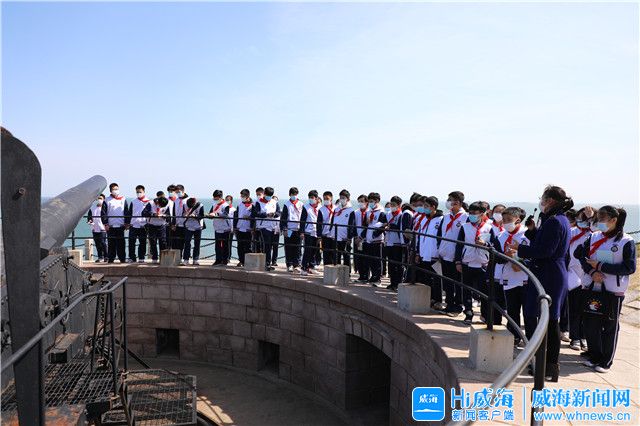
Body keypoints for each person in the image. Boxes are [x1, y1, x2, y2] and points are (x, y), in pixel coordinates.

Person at [507, 185, 573, 381]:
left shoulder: (555, 221)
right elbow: (545, 243)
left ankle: (548, 365)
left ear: (550, 200)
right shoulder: (557, 219)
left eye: (543, 198)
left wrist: (520, 249)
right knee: (546, 320)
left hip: (549, 274)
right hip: (550, 272)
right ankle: (545, 364)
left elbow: (545, 251)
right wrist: (533, 231)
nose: (541, 202)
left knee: (549, 321)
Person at [576, 206, 635, 374]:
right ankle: (595, 356)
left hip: (612, 291)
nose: (599, 222)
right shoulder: (594, 236)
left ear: (614, 220)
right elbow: (581, 256)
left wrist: (601, 266)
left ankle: (606, 361)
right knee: (590, 324)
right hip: (591, 286)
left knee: (609, 326)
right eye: (598, 219)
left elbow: (629, 267)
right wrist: (592, 272)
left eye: (602, 219)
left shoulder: (626, 241)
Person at [454, 201, 494, 324]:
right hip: (467, 262)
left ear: (482, 214)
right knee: (466, 290)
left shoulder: (489, 228)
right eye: (470, 213)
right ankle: (468, 313)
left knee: (484, 291)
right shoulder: (464, 227)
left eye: (474, 213)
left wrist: (485, 244)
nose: (471, 215)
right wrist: (458, 261)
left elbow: (493, 245)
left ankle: (485, 314)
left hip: (482, 263)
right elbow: (459, 245)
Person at [495, 207, 530, 346]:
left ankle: (530, 338)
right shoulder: (501, 236)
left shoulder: (527, 235)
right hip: (509, 277)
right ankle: (514, 336)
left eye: (509, 220)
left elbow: (533, 255)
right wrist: (506, 256)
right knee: (512, 310)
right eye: (504, 220)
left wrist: (520, 262)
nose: (505, 223)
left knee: (528, 312)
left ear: (518, 220)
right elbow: (496, 258)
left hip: (526, 278)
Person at [565, 207, 595, 351]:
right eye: (580, 218)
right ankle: (575, 337)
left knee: (588, 309)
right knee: (575, 308)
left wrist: (592, 219)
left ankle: (584, 337)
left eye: (585, 218)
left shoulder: (594, 234)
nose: (582, 221)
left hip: (590, 274)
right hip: (573, 274)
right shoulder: (571, 232)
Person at [437, 191, 468, 315]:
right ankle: (449, 304)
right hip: (445, 252)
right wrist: (440, 248)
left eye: (451, 200)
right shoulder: (446, 216)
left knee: (458, 282)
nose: (448, 202)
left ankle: (458, 306)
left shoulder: (465, 217)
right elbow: (440, 233)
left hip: (457, 255)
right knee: (447, 281)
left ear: (458, 202)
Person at [415, 196, 444, 305]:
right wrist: (418, 252)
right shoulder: (424, 219)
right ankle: (429, 298)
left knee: (436, 279)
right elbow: (420, 236)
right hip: (424, 253)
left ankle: (437, 300)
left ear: (433, 207)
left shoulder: (441, 219)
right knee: (426, 278)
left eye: (426, 206)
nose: (424, 208)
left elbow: (441, 237)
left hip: (435, 254)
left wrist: (440, 252)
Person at [383, 196, 411, 291]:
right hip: (389, 241)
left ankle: (398, 283)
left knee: (398, 265)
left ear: (399, 205)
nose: (392, 206)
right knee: (391, 264)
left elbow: (401, 227)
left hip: (397, 243)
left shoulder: (401, 215)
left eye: (394, 204)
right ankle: (392, 282)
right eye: (391, 204)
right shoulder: (388, 214)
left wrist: (391, 226)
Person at [252, 186, 280, 271]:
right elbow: (256, 213)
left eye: (270, 195)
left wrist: (274, 214)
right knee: (266, 245)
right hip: (263, 226)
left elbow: (279, 212)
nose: (269, 197)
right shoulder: (258, 202)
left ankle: (269, 263)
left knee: (271, 245)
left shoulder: (274, 202)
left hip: (273, 226)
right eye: (268, 195)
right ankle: (266, 264)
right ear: (264, 194)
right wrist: (266, 214)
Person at [364, 192, 387, 285]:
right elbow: (365, 224)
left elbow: (383, 225)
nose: (370, 203)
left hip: (377, 240)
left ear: (377, 201)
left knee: (377, 260)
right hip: (369, 239)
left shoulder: (381, 212)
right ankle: (373, 276)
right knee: (370, 259)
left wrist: (375, 234)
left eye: (372, 201)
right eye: (369, 201)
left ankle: (378, 278)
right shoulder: (369, 211)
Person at [101, 183, 128, 263]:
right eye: (114, 189)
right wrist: (106, 224)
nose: (116, 191)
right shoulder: (107, 200)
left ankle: (122, 259)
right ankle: (111, 259)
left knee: (121, 244)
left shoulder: (123, 199)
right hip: (111, 226)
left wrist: (127, 223)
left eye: (117, 189)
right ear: (110, 191)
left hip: (121, 225)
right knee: (111, 244)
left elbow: (126, 211)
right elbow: (103, 213)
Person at [280, 187, 304, 272]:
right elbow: (283, 218)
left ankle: (296, 264)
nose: (294, 195)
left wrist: (302, 230)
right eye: (293, 194)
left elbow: (303, 217)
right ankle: (289, 264)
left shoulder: (301, 204)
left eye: (295, 194)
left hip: (298, 229)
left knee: (298, 247)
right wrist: (284, 228)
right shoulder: (286, 204)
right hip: (289, 229)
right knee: (288, 247)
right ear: (289, 194)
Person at [142, 194, 170, 263]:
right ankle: (154, 258)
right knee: (153, 242)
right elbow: (144, 213)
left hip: (162, 225)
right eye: (160, 206)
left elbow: (168, 215)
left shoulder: (166, 205)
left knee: (163, 242)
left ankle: (163, 258)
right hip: (152, 225)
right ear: (158, 202)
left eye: (163, 207)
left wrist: (164, 215)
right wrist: (153, 214)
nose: (161, 207)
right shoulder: (150, 203)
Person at [126, 185, 150, 263]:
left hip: (143, 225)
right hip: (133, 225)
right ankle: (132, 257)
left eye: (140, 192)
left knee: (142, 242)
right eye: (137, 192)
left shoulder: (148, 201)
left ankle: (141, 257)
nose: (139, 193)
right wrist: (128, 223)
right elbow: (129, 213)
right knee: (131, 242)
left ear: (144, 192)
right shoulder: (133, 201)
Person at [333, 189, 356, 270]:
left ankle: (347, 272)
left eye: (343, 198)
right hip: (336, 235)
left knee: (346, 255)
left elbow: (351, 225)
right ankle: (337, 271)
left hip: (345, 237)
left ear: (348, 199)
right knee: (337, 255)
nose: (341, 199)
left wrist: (349, 237)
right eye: (340, 198)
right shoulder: (336, 209)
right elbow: (333, 221)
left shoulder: (351, 210)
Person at [209, 190, 232, 265]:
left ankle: (225, 260)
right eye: (214, 198)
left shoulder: (226, 205)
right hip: (217, 227)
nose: (214, 199)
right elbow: (211, 213)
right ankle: (218, 260)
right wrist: (209, 215)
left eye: (216, 198)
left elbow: (225, 215)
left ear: (220, 197)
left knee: (225, 245)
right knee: (217, 245)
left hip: (225, 228)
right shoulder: (214, 204)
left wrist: (216, 214)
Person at [300, 190, 320, 275]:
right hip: (308, 231)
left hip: (317, 232)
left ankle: (311, 267)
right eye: (310, 197)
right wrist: (302, 232)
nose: (311, 199)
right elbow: (302, 220)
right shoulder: (306, 207)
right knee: (307, 250)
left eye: (312, 197)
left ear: (316, 198)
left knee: (314, 250)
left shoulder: (320, 207)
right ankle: (304, 268)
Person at [181, 197, 205, 265]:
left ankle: (195, 259)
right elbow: (183, 214)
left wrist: (195, 216)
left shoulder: (200, 205)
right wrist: (185, 215)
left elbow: (202, 216)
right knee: (187, 243)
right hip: (188, 226)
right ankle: (186, 259)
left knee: (197, 243)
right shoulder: (185, 205)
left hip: (198, 226)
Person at [233, 189, 253, 267]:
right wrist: (235, 227)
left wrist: (249, 218)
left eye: (243, 196)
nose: (242, 197)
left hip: (248, 229)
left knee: (248, 246)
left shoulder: (253, 205)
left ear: (247, 196)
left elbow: (254, 216)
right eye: (241, 196)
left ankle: (248, 261)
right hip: (239, 228)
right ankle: (241, 260)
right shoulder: (239, 204)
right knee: (240, 246)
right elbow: (236, 216)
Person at [353, 194, 369, 282]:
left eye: (362, 201)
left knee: (365, 258)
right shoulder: (356, 212)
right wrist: (356, 237)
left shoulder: (369, 212)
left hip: (366, 239)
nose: (360, 203)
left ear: (366, 202)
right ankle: (361, 275)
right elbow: (353, 225)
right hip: (357, 239)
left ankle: (366, 276)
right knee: (358, 258)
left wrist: (361, 237)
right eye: (359, 201)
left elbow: (368, 226)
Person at [318, 191, 336, 265]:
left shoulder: (336, 208)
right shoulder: (321, 210)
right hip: (325, 235)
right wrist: (319, 236)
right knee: (326, 254)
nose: (326, 200)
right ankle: (326, 269)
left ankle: (334, 269)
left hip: (334, 235)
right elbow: (319, 224)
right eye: (324, 199)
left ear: (331, 198)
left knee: (334, 254)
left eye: (327, 198)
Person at [87, 194, 107, 262]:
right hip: (94, 228)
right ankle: (100, 257)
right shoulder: (92, 207)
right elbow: (89, 217)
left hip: (102, 228)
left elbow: (106, 217)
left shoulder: (104, 207)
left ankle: (106, 256)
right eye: (98, 198)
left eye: (101, 198)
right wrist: (90, 221)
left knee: (103, 242)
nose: (99, 199)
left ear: (103, 199)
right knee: (97, 244)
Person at [171, 184, 189, 251]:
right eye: (176, 192)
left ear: (183, 191)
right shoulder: (176, 200)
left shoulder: (188, 200)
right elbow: (174, 212)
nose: (178, 194)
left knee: (186, 242)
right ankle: (179, 256)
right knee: (177, 243)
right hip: (178, 225)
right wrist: (173, 223)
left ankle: (186, 256)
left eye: (179, 192)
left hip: (186, 225)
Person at [225, 195, 236, 264]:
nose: (227, 201)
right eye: (226, 200)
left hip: (230, 229)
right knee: (223, 244)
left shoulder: (234, 209)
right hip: (224, 228)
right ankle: (222, 257)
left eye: (228, 200)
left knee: (229, 244)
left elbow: (234, 220)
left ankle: (228, 257)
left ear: (231, 201)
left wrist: (233, 228)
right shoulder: (224, 208)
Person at [271, 195, 281, 267]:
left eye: (276, 200)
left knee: (275, 246)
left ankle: (274, 261)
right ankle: (267, 260)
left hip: (276, 230)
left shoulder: (279, 211)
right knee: (268, 246)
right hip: (269, 228)